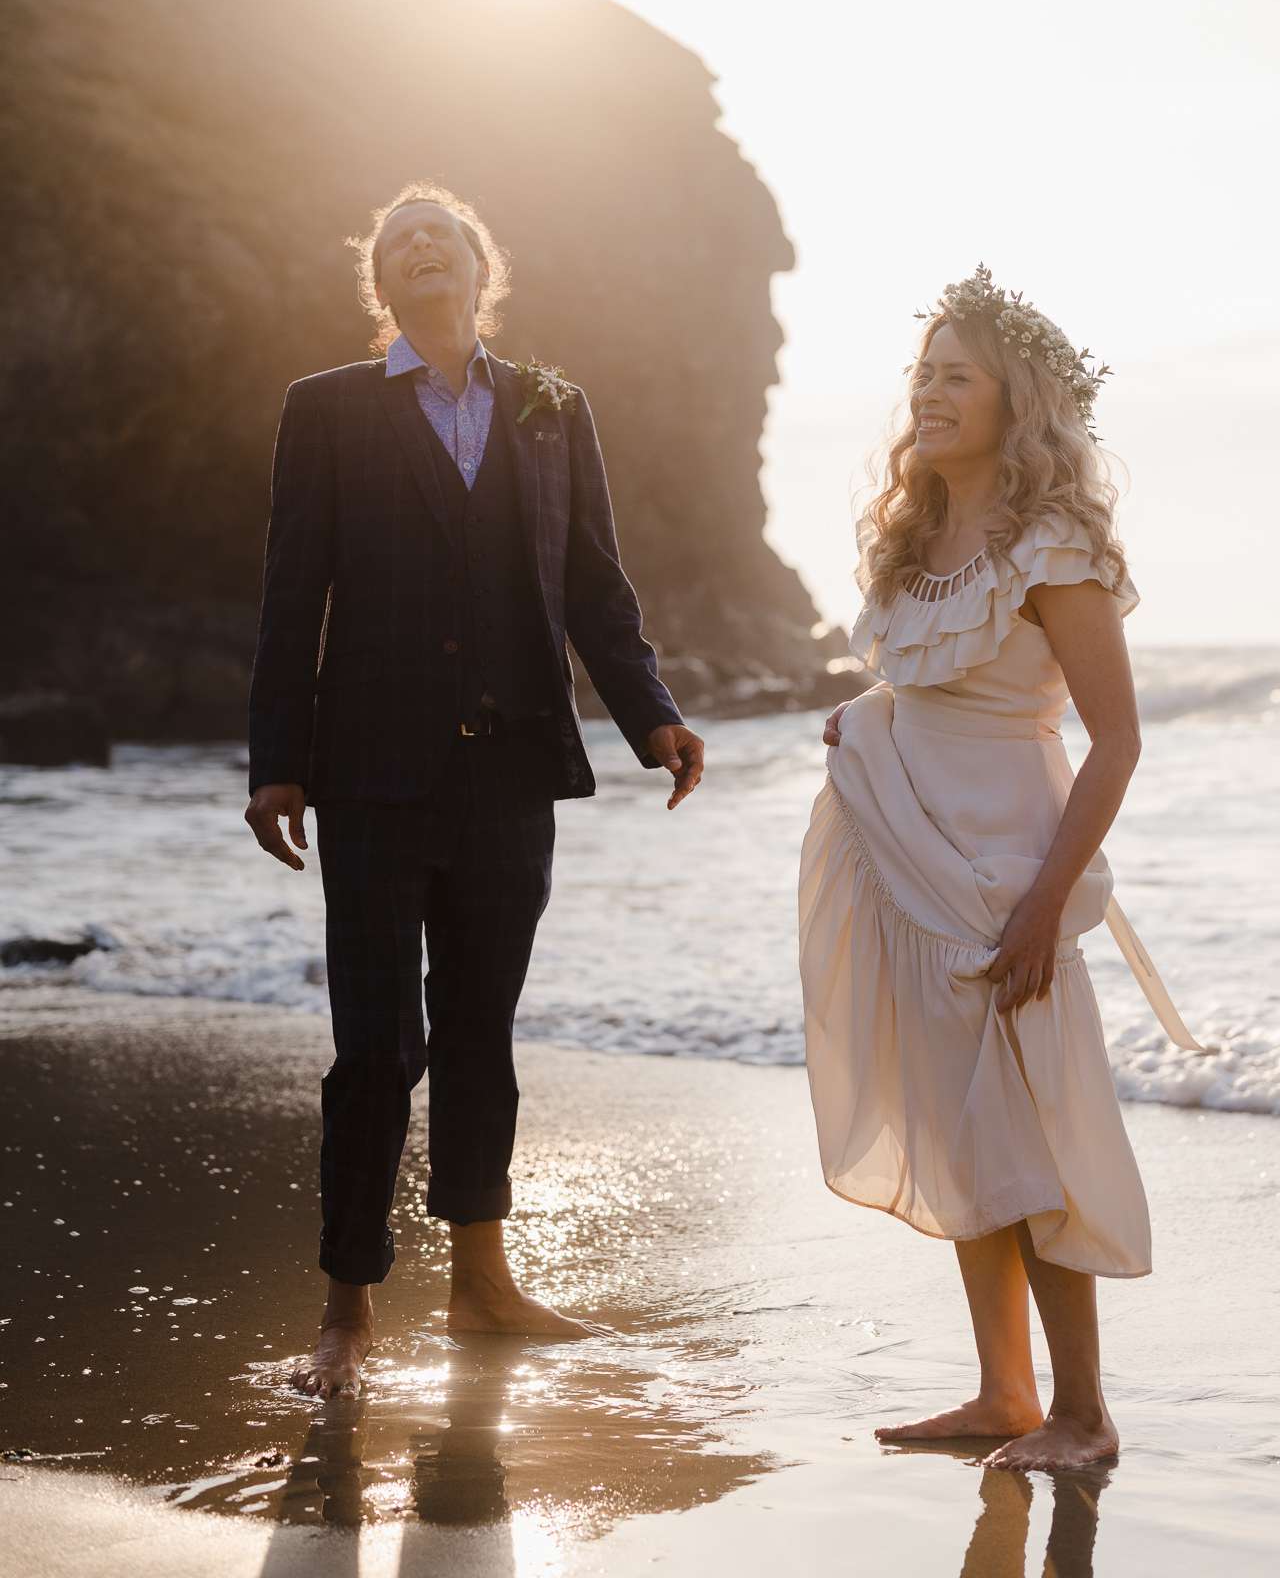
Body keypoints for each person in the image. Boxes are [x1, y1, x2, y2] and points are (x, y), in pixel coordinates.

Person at [244, 181, 704, 1400]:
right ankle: (346, 1306)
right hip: (373, 776)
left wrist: (650, 711)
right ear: (379, 284)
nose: (419, 251)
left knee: (481, 1033)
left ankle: (482, 1283)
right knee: (372, 1043)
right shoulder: (327, 410)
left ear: (478, 267)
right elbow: (295, 594)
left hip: (511, 772)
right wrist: (275, 760)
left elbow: (596, 588)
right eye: (396, 243)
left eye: (438, 236)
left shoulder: (553, 410)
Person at [798, 263, 1201, 1471]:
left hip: (1004, 869)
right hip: (906, 858)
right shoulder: (916, 532)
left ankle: (1082, 1412)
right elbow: (925, 676)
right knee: (959, 1125)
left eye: (954, 374)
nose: (927, 391)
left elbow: (1114, 739)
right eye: (921, 372)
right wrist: (866, 719)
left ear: (1012, 397)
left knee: (1029, 1135)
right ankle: (1001, 1393)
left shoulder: (1052, 543)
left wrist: (1040, 908)